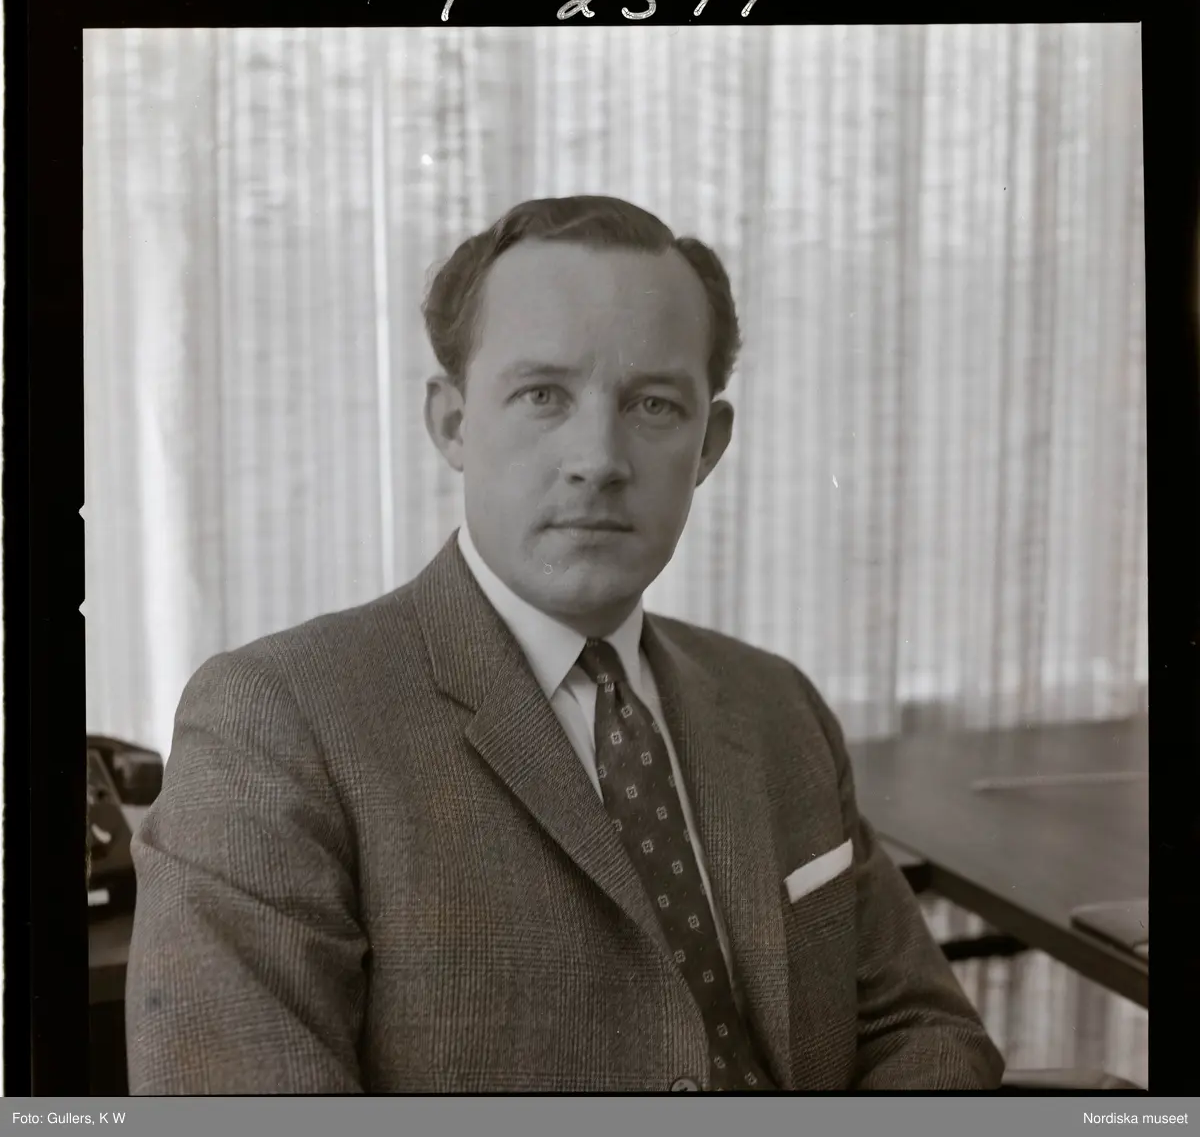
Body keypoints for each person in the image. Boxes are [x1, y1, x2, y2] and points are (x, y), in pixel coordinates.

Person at [126, 195, 1005, 1093]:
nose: (599, 459)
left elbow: (923, 1028)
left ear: (709, 445)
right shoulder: (277, 722)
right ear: (453, 423)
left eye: (654, 404)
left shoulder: (777, 705)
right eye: (542, 395)